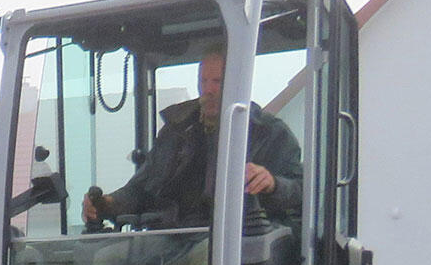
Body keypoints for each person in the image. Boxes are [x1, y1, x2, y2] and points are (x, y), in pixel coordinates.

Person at [82, 44, 300, 231]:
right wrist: (106, 204)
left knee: (206, 258)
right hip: (172, 236)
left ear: (239, 82)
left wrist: (273, 184)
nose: (208, 90)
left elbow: (301, 191)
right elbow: (140, 190)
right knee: (106, 259)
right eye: (203, 81)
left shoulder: (270, 134)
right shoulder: (174, 133)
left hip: (235, 240)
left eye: (217, 81)